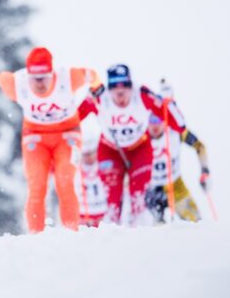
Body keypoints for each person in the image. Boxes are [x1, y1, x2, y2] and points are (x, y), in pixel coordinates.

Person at [0, 48, 99, 233]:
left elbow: (93, 75)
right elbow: (2, 77)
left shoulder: (68, 77)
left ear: (52, 73)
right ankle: (36, 234)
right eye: (35, 78)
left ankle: (71, 231)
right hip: (35, 137)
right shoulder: (16, 83)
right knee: (37, 185)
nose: (40, 83)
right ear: (28, 74)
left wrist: (96, 87)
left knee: (65, 181)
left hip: (68, 135)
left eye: (44, 77)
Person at [79, 64, 186, 225]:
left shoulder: (142, 95)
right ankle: (110, 235)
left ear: (131, 85)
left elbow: (179, 124)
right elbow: (73, 118)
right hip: (110, 150)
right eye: (115, 87)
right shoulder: (100, 97)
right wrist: (87, 98)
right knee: (112, 201)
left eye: (125, 86)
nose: (120, 92)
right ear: (109, 88)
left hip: (139, 149)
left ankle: (138, 235)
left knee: (138, 198)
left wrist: (168, 102)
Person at [146, 113, 210, 223]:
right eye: (152, 121)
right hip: (150, 189)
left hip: (175, 185)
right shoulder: (139, 134)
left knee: (197, 223)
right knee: (155, 230)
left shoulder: (176, 131)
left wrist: (204, 170)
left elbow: (199, 146)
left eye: (159, 120)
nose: (155, 125)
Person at [79, 132, 108, 227]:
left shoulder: (104, 165)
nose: (88, 157)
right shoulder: (76, 169)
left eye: (90, 153)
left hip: (102, 212)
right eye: (85, 154)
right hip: (84, 214)